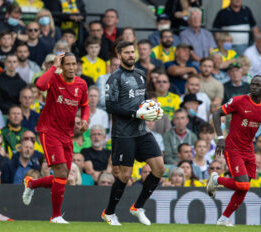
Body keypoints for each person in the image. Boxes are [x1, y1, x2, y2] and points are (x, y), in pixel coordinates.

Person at [22, 52, 90, 224]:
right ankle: (56, 216)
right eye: (67, 64)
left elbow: (85, 106)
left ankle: (31, 184)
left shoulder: (81, 84)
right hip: (49, 131)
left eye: (74, 64)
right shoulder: (54, 79)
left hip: (67, 134)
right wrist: (54, 66)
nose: (71, 68)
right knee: (60, 173)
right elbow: (39, 84)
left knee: (63, 177)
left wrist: (84, 120)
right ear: (62, 65)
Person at [102, 41, 164, 226]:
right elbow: (110, 106)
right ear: (119, 55)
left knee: (159, 168)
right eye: (127, 52)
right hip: (123, 133)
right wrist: (135, 113)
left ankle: (138, 207)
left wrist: (152, 108)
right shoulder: (114, 78)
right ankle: (109, 213)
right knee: (125, 175)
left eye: (132, 52)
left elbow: (142, 99)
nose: (131, 55)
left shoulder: (141, 75)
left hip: (142, 131)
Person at [207, 75, 261, 226]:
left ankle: (223, 219)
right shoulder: (239, 101)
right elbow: (216, 113)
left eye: (258, 85)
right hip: (233, 147)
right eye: (252, 84)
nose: (253, 87)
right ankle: (215, 179)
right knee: (243, 185)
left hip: (249, 149)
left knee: (244, 188)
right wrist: (220, 137)